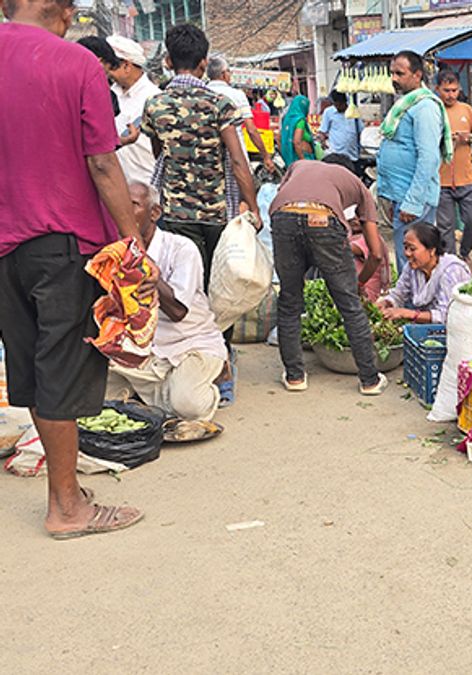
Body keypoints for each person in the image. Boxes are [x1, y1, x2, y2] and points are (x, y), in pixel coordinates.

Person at [1, 0, 154, 538]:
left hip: (5, 249)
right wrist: (133, 244)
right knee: (61, 374)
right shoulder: (76, 63)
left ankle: (65, 494)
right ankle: (67, 507)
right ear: (64, 11)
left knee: (34, 372)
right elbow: (102, 162)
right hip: (62, 244)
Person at [142, 23, 259, 286]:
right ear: (204, 62)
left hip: (176, 213)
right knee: (218, 283)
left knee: (187, 282)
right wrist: (253, 208)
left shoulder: (154, 104)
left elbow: (159, 152)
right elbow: (238, 160)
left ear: (168, 61)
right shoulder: (220, 104)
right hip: (217, 211)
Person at [107, 182, 227, 421]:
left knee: (188, 407)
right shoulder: (114, 251)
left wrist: (148, 269)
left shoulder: (182, 248)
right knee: (95, 399)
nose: (124, 213)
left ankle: (212, 375)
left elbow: (178, 311)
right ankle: (162, 390)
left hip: (189, 343)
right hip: (146, 348)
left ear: (154, 213)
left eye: (133, 205)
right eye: (120, 206)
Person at [269, 153, 388, 395]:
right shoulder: (359, 186)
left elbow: (285, 195)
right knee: (349, 306)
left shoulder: (299, 165)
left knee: (289, 301)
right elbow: (376, 254)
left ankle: (294, 377)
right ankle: (370, 380)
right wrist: (358, 283)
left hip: (283, 217)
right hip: (324, 220)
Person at [377, 50, 451, 255]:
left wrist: (412, 202)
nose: (394, 79)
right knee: (407, 259)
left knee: (413, 259)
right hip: (402, 195)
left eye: (400, 74)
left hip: (414, 200)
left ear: (417, 75)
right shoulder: (407, 104)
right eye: (392, 73)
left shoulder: (425, 107)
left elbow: (429, 158)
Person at [434, 70, 472, 266]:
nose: (450, 95)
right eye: (446, 90)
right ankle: (451, 263)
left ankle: (465, 252)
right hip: (441, 180)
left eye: (454, 90)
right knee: (445, 227)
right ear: (437, 89)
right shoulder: (434, 111)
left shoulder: (466, 110)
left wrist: (467, 138)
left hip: (467, 178)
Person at [376, 222, 471, 325]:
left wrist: (408, 314)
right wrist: (386, 303)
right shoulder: (412, 267)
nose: (407, 253)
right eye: (406, 247)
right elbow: (399, 293)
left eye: (412, 249)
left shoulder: (451, 270)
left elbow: (446, 315)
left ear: (432, 250)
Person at [101, 35, 160, 184]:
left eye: (110, 67)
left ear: (126, 66)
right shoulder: (107, 96)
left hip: (147, 184)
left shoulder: (155, 98)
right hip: (116, 185)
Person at [207, 56, 275, 176]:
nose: (230, 75)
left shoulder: (202, 94)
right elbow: (251, 129)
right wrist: (265, 156)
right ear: (223, 74)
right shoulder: (237, 95)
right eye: (229, 72)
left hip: (208, 158)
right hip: (235, 158)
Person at [76, 36, 122, 118]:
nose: (107, 78)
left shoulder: (59, 89)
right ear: (99, 62)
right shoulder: (103, 97)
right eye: (107, 71)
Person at [316, 90, 363, 162]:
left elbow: (360, 130)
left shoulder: (353, 112)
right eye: (336, 105)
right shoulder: (328, 112)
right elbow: (322, 131)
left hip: (352, 155)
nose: (338, 107)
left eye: (340, 105)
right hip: (335, 155)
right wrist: (322, 142)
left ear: (345, 102)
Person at [280, 94, 316, 166]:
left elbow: (279, 137)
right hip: (303, 158)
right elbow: (297, 142)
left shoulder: (287, 119)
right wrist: (303, 160)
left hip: (291, 157)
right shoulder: (300, 120)